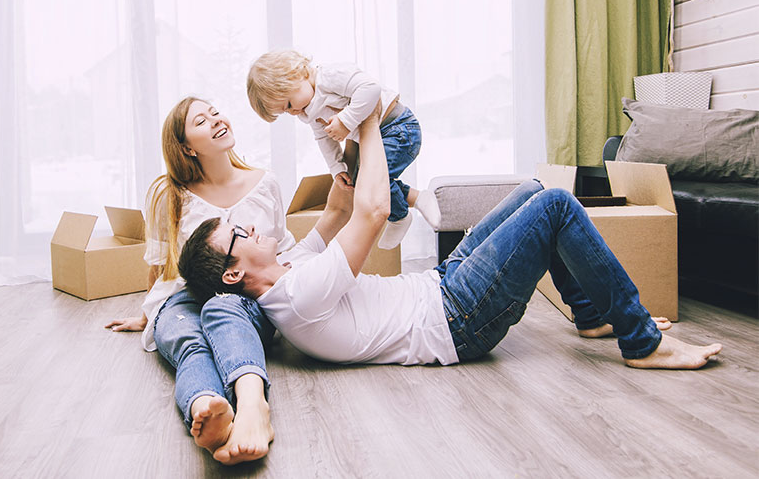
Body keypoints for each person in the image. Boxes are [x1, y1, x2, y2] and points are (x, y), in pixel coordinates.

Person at [178, 105, 722, 371]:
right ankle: (641, 342)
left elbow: (340, 209)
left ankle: (589, 313)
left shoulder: (291, 266)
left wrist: (327, 123)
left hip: (440, 286)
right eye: (239, 231)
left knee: (534, 190)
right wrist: (371, 123)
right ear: (233, 273)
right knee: (556, 205)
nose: (252, 225)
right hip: (456, 320)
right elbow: (368, 213)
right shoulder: (296, 296)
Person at [104, 97, 292, 465]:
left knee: (224, 309)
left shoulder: (265, 182)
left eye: (215, 112)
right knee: (189, 339)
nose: (216, 120)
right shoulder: (167, 194)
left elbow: (281, 248)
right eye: (201, 121)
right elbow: (160, 265)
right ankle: (207, 410)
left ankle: (254, 407)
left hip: (245, 297)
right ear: (187, 146)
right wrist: (147, 317)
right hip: (184, 296)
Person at [246, 49, 441, 249]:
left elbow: (370, 88)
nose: (293, 112)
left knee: (374, 181)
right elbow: (323, 137)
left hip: (398, 129)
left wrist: (346, 121)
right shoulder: (308, 109)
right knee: (360, 184)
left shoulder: (328, 77)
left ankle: (399, 216)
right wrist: (336, 168)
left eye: (288, 104)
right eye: (285, 111)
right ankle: (417, 197)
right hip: (376, 138)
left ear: (295, 75)